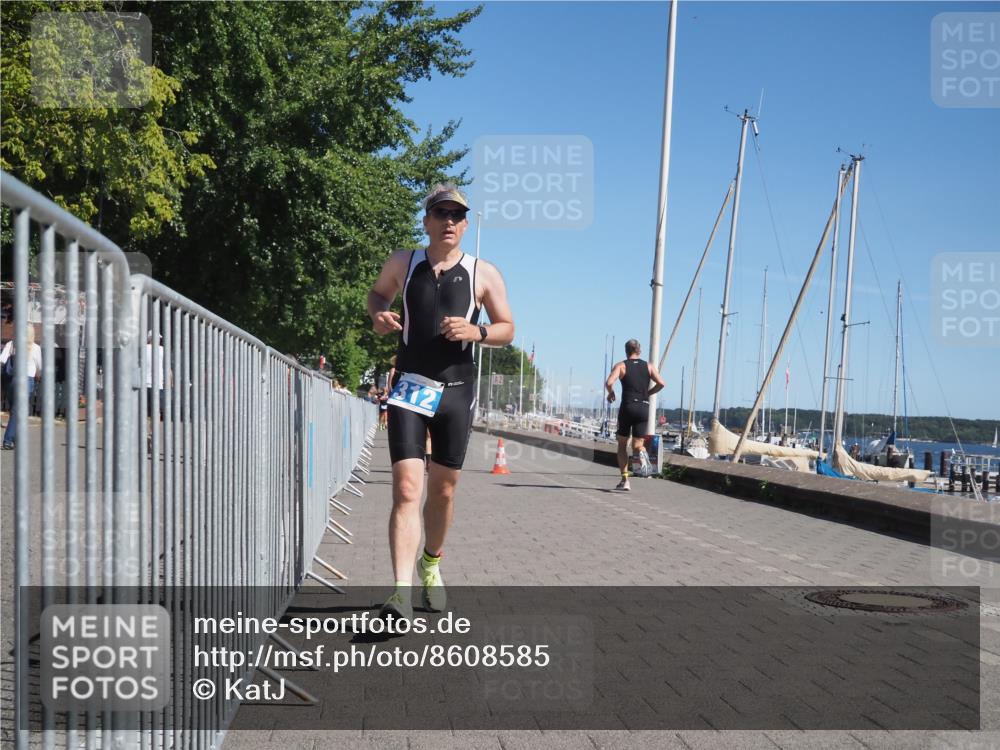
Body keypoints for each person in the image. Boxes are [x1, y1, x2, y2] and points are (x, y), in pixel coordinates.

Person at [368, 183, 514, 622]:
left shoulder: (483, 272)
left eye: (457, 215)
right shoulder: (403, 262)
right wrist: (378, 314)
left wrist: (479, 332)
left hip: (457, 392)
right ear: (427, 220)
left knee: (443, 491)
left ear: (465, 225)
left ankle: (430, 561)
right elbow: (377, 295)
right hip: (410, 385)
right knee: (408, 488)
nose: (449, 221)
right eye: (441, 213)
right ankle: (399, 593)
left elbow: (508, 327)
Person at [605, 339, 664, 491]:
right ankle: (643, 456)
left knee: (622, 445)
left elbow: (609, 382)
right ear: (639, 350)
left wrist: (611, 393)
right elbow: (661, 383)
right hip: (644, 407)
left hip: (628, 407)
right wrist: (648, 393)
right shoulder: (648, 366)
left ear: (626, 351)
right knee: (638, 445)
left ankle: (625, 480)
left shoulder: (621, 365)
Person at [1, 324, 43, 450]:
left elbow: (2, 360)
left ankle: (15, 439)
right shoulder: (35, 348)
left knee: (15, 411)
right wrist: (39, 375)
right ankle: (8, 440)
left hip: (10, 380)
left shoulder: (11, 344)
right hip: (26, 380)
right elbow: (40, 367)